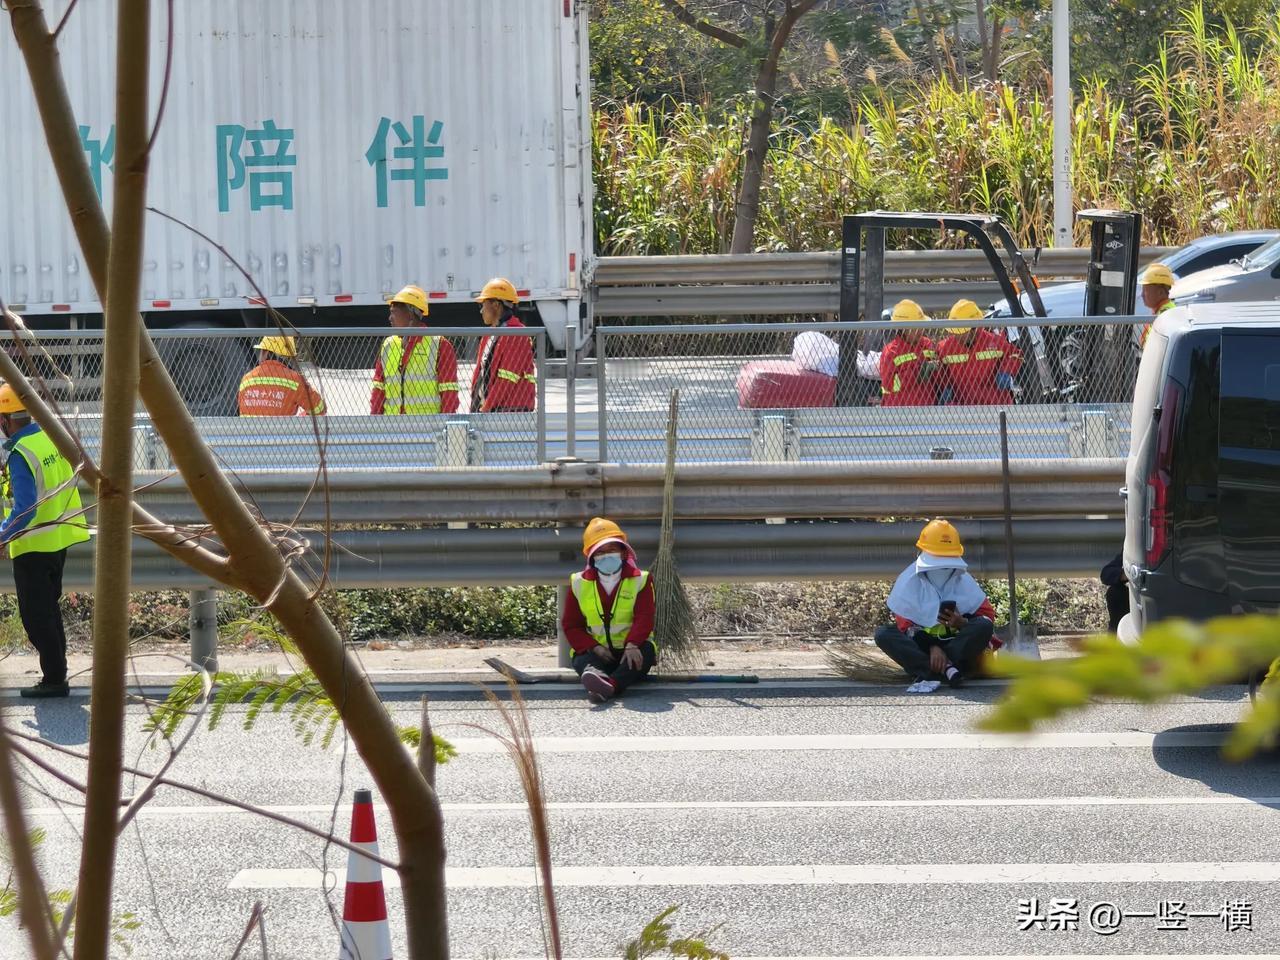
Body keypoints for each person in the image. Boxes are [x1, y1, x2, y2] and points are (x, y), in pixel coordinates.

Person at [0, 384, 90, 698]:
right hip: (58, 539)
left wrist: (2, 536)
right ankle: (57, 673)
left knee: (36, 617)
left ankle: (55, 680)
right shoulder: (51, 438)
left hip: (33, 545)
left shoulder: (20, 454)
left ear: (6, 420)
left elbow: (25, 507)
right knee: (48, 612)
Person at [875, 519, 999, 689]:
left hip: (959, 649)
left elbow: (987, 617)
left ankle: (934, 671)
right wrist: (932, 646)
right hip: (925, 649)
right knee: (883, 634)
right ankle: (946, 670)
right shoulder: (908, 581)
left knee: (983, 625)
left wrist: (962, 623)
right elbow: (905, 626)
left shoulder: (963, 579)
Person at [561, 517, 657, 703]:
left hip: (631, 650)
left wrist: (632, 644)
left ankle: (609, 685)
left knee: (645, 651)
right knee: (582, 658)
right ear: (591, 556)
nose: (606, 555)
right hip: (598, 651)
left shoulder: (641, 579)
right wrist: (594, 647)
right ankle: (598, 678)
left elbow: (644, 617)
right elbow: (572, 625)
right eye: (600, 552)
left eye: (612, 550)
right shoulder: (579, 582)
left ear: (623, 552)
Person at [370, 284, 459, 415]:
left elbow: (449, 393)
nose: (390, 318)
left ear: (411, 314)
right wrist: (374, 424)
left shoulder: (440, 345)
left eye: (393, 312)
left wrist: (445, 425)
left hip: (427, 428)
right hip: (392, 427)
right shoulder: (388, 345)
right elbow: (379, 389)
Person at [937, 299, 1022, 405]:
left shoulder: (994, 342)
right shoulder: (945, 347)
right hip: (962, 407)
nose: (957, 335)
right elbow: (941, 373)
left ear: (975, 329)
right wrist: (945, 387)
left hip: (995, 404)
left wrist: (1006, 371)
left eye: (961, 331)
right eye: (955, 331)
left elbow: (1016, 354)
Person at [469, 277, 536, 413]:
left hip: (512, 410)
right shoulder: (490, 335)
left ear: (496, 305)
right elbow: (481, 372)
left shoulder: (516, 334)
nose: (481, 310)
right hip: (493, 409)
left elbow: (507, 379)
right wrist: (475, 404)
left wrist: (486, 407)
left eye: (484, 304)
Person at [237, 335, 326, 417]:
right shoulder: (295, 380)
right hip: (280, 433)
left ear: (266, 353)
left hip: (249, 433)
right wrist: (300, 419)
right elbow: (319, 409)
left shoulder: (246, 379)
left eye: (261, 351)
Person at [879, 299, 940, 407]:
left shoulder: (927, 344)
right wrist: (917, 374)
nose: (921, 331)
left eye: (921, 326)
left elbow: (938, 381)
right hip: (899, 411)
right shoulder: (891, 352)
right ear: (903, 329)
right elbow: (889, 385)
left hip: (928, 408)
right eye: (916, 328)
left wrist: (938, 369)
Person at [1138, 262, 1177, 349]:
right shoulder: (1160, 311)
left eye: (1146, 290)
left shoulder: (1165, 314)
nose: (1142, 295)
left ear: (1160, 292)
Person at [1100, 553, 1129, 633]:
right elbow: (1106, 574)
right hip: (1137, 599)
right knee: (1115, 592)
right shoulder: (1135, 546)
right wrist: (1125, 574)